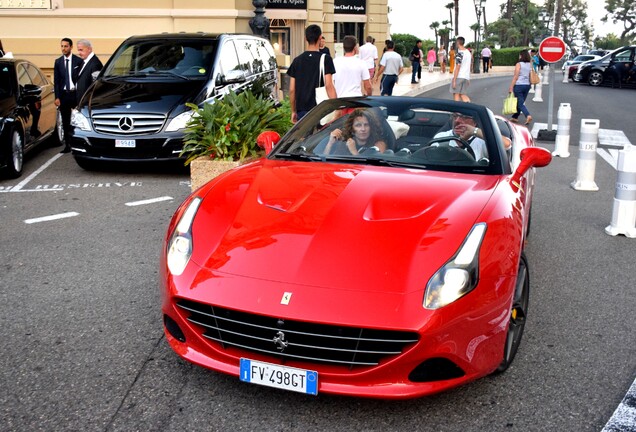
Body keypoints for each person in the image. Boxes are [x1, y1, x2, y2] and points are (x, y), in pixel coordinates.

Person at [287, 24, 336, 123]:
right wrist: (336, 106)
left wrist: (293, 111)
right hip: (320, 109)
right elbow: (329, 85)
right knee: (320, 137)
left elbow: (292, 89)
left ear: (305, 38)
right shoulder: (325, 59)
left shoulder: (297, 60)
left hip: (302, 110)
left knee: (306, 138)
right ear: (320, 38)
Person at [53, 37, 83, 153]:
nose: (63, 48)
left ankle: (79, 143)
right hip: (64, 95)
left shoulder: (78, 61)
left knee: (79, 120)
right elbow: (57, 81)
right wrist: (57, 97)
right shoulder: (58, 62)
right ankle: (67, 145)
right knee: (65, 121)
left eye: (66, 46)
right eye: (62, 46)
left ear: (71, 47)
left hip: (75, 94)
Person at [75, 39, 103, 105]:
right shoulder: (84, 61)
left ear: (89, 49)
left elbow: (95, 87)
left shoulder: (95, 64)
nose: (79, 53)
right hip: (81, 102)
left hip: (87, 104)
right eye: (78, 50)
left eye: (81, 50)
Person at [508, 49, 533, 125]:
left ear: (521, 56)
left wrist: (511, 87)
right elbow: (530, 75)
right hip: (527, 85)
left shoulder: (519, 64)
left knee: (520, 103)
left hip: (519, 85)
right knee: (520, 101)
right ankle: (515, 117)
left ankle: (527, 115)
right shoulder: (529, 64)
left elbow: (516, 76)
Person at [450, 36, 472, 102]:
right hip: (466, 77)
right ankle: (469, 108)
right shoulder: (468, 53)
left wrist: (454, 80)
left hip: (459, 76)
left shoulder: (459, 54)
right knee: (462, 94)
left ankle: (457, 111)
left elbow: (458, 67)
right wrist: (468, 77)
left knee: (456, 94)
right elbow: (469, 65)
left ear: (458, 43)